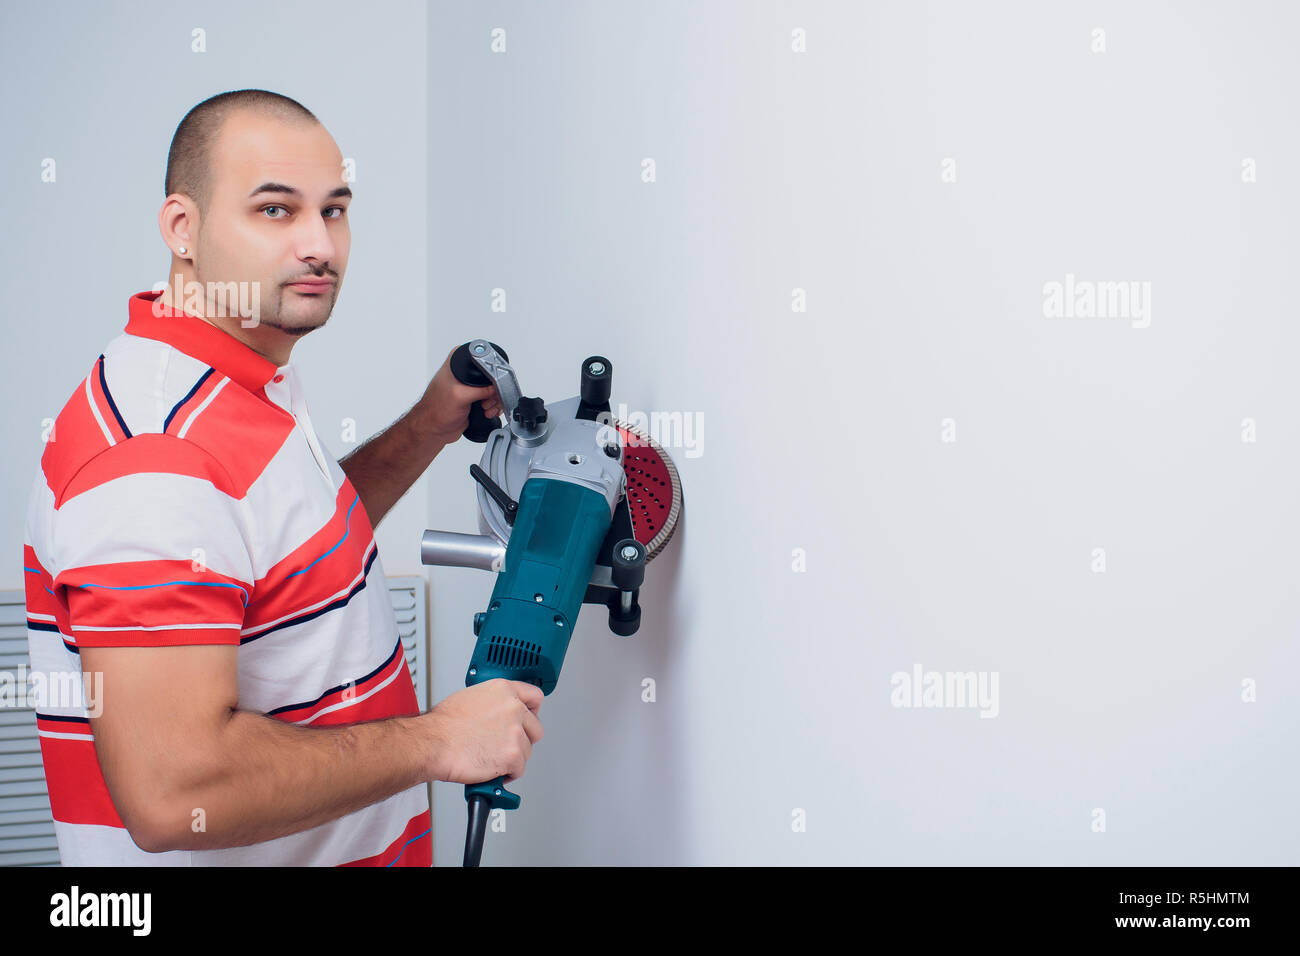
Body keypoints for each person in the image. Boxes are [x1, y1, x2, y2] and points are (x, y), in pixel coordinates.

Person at [21, 89, 543, 865]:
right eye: (275, 211)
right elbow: (175, 795)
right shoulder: (153, 462)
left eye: (333, 210)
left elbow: (284, 554)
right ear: (182, 228)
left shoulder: (237, 370)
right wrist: (439, 740)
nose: (319, 246)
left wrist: (430, 423)